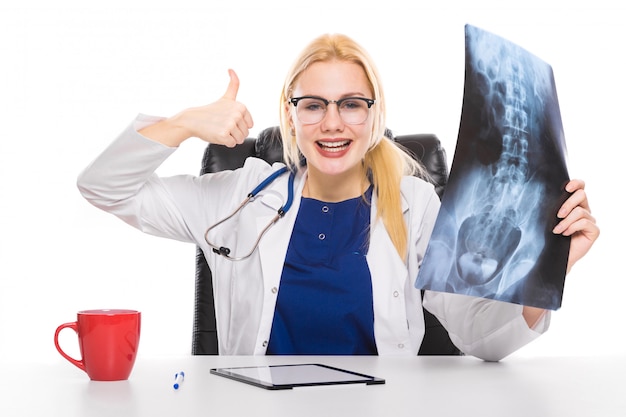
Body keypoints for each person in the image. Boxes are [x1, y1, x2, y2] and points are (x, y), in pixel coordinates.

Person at [77, 33, 599, 361]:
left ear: (374, 115)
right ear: (290, 115)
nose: (331, 124)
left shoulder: (415, 206)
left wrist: (548, 272)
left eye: (351, 104)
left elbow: (483, 342)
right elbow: (103, 187)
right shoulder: (237, 197)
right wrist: (183, 123)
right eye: (313, 105)